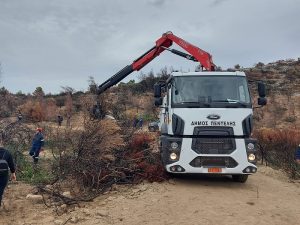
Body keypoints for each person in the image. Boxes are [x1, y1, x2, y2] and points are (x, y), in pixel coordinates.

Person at [0, 139, 16, 208]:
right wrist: (13, 174)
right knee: (0, 190)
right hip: (3, 175)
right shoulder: (7, 152)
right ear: (1, 142)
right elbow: (11, 165)